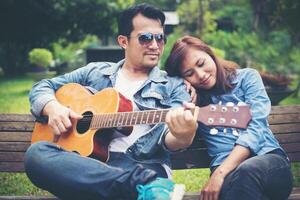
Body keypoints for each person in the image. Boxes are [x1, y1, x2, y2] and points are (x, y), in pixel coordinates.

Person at [24, 4, 199, 200]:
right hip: (89, 166)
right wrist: (53, 107)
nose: (155, 45)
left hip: (142, 165)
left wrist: (184, 134)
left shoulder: (174, 86)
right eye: (146, 38)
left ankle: (140, 185)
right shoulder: (95, 72)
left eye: (160, 38)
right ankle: (141, 188)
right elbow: (42, 86)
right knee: (36, 155)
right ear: (124, 41)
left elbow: (171, 138)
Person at [165, 35, 293, 200]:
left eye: (201, 64)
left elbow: (257, 127)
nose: (201, 75)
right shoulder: (192, 100)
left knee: (247, 172)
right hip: (230, 175)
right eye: (190, 74)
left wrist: (220, 173)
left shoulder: (247, 78)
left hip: (269, 162)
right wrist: (179, 84)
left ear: (210, 54)